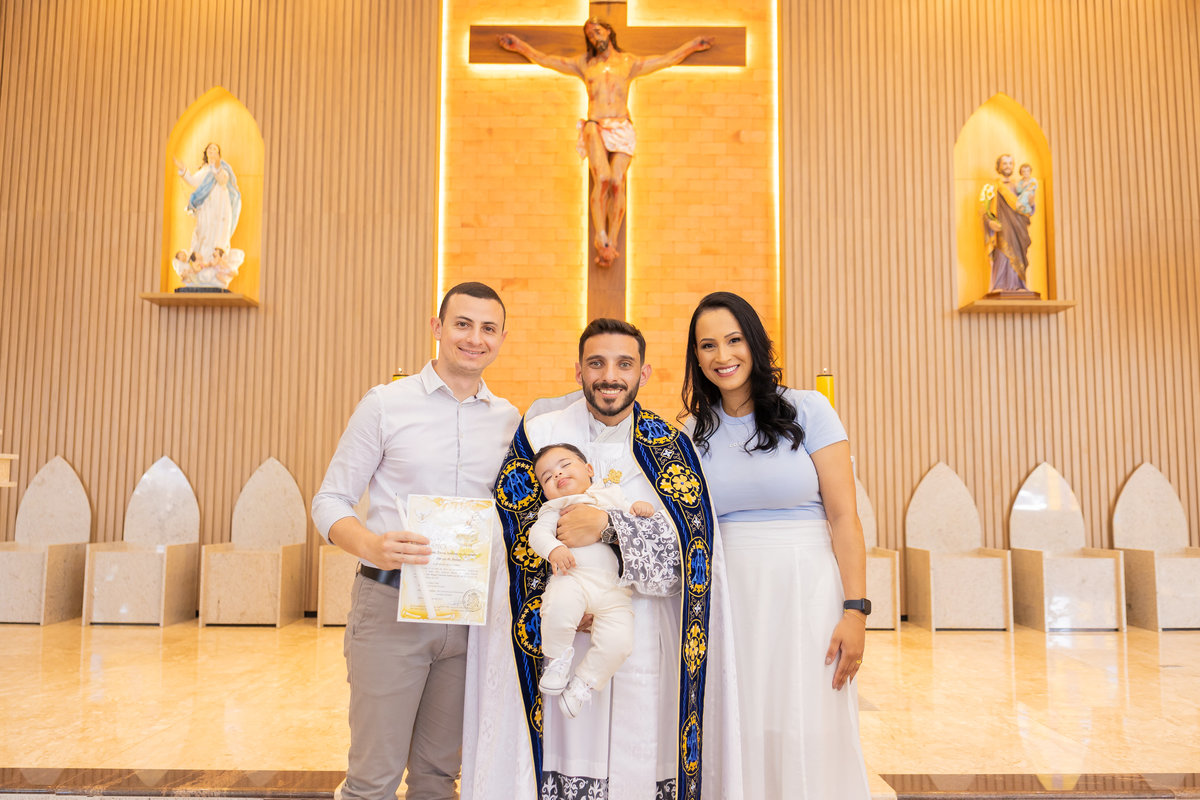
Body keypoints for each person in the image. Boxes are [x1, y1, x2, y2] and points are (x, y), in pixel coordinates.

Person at [462, 318, 743, 800]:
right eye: (597, 363)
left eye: (623, 364)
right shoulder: (541, 433)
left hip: (642, 630)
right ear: (579, 371)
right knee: (564, 749)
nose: (609, 375)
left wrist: (609, 528)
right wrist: (560, 598)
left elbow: (693, 549)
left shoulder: (669, 445)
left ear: (644, 373)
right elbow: (511, 532)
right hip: (562, 626)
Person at [311, 282, 520, 800]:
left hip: (469, 618)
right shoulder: (386, 404)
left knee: (437, 777)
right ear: (437, 328)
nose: (475, 338)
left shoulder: (509, 421)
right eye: (463, 324)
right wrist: (372, 545)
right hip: (391, 604)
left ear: (501, 338)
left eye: (488, 328)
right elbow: (329, 501)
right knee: (372, 779)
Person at [681, 291, 871, 799]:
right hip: (730, 594)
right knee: (740, 720)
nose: (723, 356)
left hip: (806, 585)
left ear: (755, 342)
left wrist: (856, 610)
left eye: (733, 340)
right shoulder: (689, 432)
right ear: (695, 357)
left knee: (807, 717)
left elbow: (844, 517)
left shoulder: (808, 408)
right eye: (708, 345)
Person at [498, 20, 712, 267]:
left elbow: (666, 59)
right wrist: (520, 47)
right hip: (595, 125)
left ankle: (612, 241)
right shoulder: (584, 64)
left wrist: (693, 46)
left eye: (597, 31)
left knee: (617, 183)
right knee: (602, 179)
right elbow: (547, 59)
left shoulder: (628, 63)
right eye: (589, 34)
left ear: (610, 31)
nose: (594, 36)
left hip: (621, 125)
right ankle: (600, 236)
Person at [529, 442, 656, 719]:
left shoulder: (610, 494)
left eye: (565, 466)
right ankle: (558, 659)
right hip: (573, 578)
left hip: (614, 589)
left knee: (620, 642)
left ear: (589, 470)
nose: (558, 476)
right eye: (548, 477)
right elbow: (537, 535)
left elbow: (627, 517)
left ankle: (584, 683)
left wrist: (638, 507)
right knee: (558, 609)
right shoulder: (554, 508)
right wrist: (554, 549)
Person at [173, 142, 242, 263]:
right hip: (206, 206)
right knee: (204, 229)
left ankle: (216, 260)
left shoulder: (223, 168)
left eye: (215, 149)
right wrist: (182, 169)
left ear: (218, 154)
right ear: (206, 152)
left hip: (220, 204)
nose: (212, 150)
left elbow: (222, 180)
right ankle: (201, 260)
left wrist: (216, 168)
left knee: (218, 231)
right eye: (210, 148)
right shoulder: (204, 170)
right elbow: (193, 181)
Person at [980, 153, 1034, 292]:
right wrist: (989, 222)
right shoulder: (991, 187)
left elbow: (1028, 208)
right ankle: (999, 285)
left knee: (1018, 254)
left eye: (1010, 163)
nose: (1008, 166)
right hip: (1001, 226)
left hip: (1018, 227)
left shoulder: (1019, 186)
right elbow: (983, 209)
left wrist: (1032, 201)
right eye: (1004, 163)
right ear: (998, 166)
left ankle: (1019, 285)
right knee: (1002, 254)